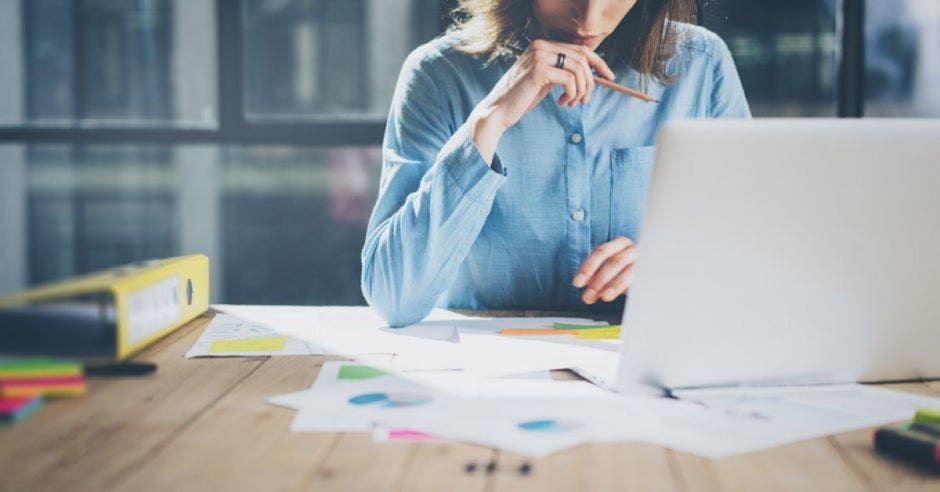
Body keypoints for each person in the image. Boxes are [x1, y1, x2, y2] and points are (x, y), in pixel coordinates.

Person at [361, 0, 750, 326]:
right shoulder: (438, 75)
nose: (590, 19)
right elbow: (393, 298)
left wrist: (676, 264)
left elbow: (756, 263)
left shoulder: (703, 66)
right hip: (487, 380)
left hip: (645, 369)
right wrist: (490, 121)